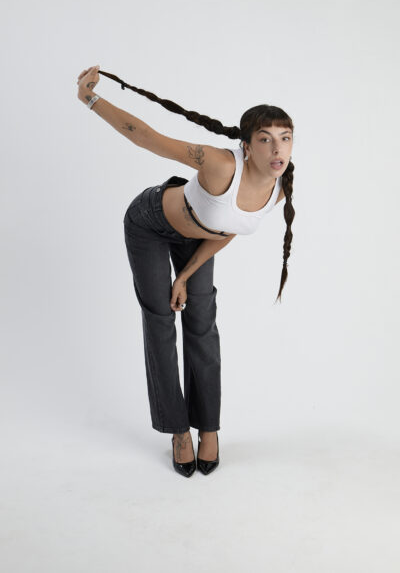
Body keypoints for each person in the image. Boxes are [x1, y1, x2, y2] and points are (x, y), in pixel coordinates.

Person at [76, 65, 295, 478]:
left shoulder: (279, 187)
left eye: (285, 138)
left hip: (197, 237)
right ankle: (177, 430)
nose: (276, 148)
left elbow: (228, 228)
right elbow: (148, 138)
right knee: (161, 318)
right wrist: (90, 98)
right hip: (150, 223)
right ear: (247, 147)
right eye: (265, 139)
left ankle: (208, 427)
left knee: (202, 321)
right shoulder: (220, 164)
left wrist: (184, 276)